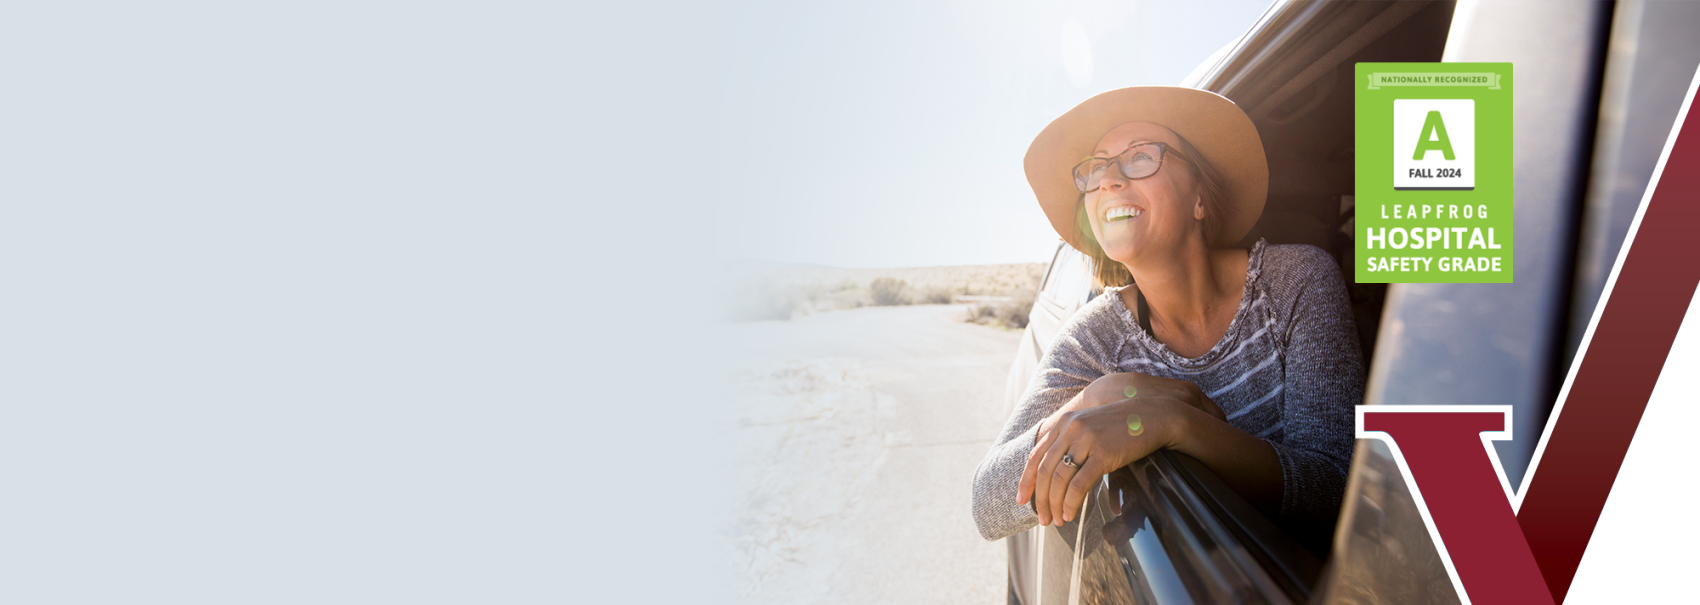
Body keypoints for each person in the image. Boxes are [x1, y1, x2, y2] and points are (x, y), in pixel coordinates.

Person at [970, 87, 1364, 545]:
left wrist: (1174, 424)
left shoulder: (1296, 281)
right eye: (1097, 167)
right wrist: (1100, 397)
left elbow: (1339, 494)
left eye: (1139, 157)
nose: (1109, 180)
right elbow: (987, 505)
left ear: (1200, 197)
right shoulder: (1094, 340)